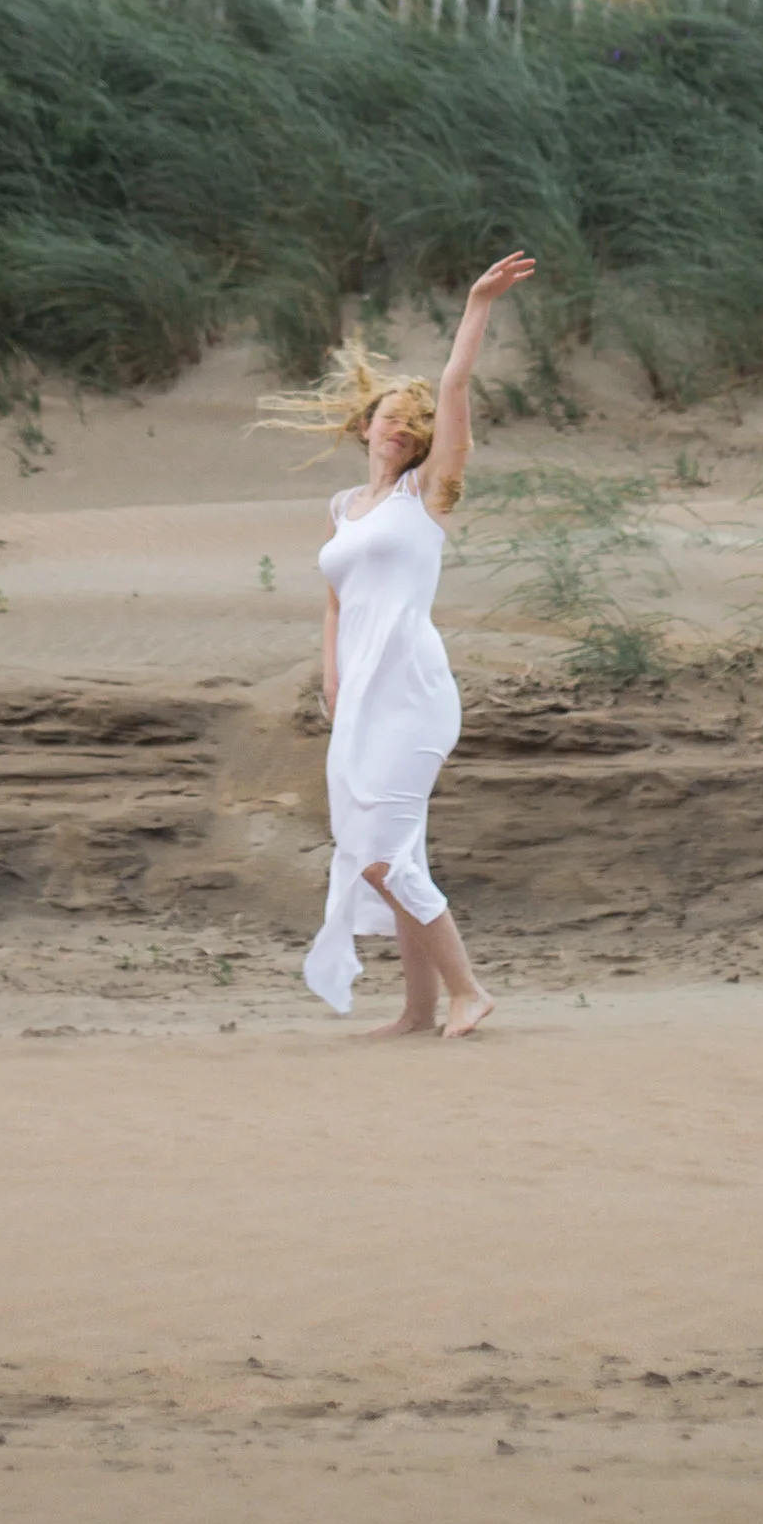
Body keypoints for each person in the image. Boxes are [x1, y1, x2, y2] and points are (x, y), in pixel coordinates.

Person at [275, 251, 535, 1036]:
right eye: (385, 414)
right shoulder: (345, 504)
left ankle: (468, 989)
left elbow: (455, 388)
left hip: (412, 691)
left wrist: (477, 304)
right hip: (358, 696)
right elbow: (333, 599)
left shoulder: (430, 494)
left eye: (408, 419)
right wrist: (330, 676)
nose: (397, 423)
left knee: (381, 852)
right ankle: (420, 1009)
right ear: (364, 427)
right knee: (382, 849)